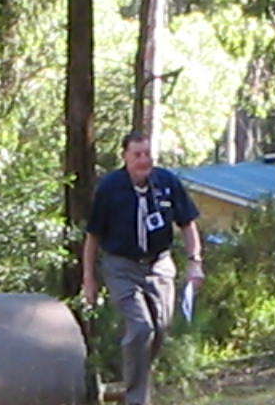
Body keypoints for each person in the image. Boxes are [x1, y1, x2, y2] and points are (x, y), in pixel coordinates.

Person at [82, 131, 205, 405]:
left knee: (159, 328)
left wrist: (195, 262)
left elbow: (188, 223)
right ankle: (136, 399)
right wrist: (89, 279)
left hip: (159, 264)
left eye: (147, 154)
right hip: (121, 266)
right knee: (141, 328)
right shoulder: (110, 188)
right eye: (137, 154)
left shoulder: (166, 183)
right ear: (125, 157)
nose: (143, 160)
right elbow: (93, 237)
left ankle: (133, 386)